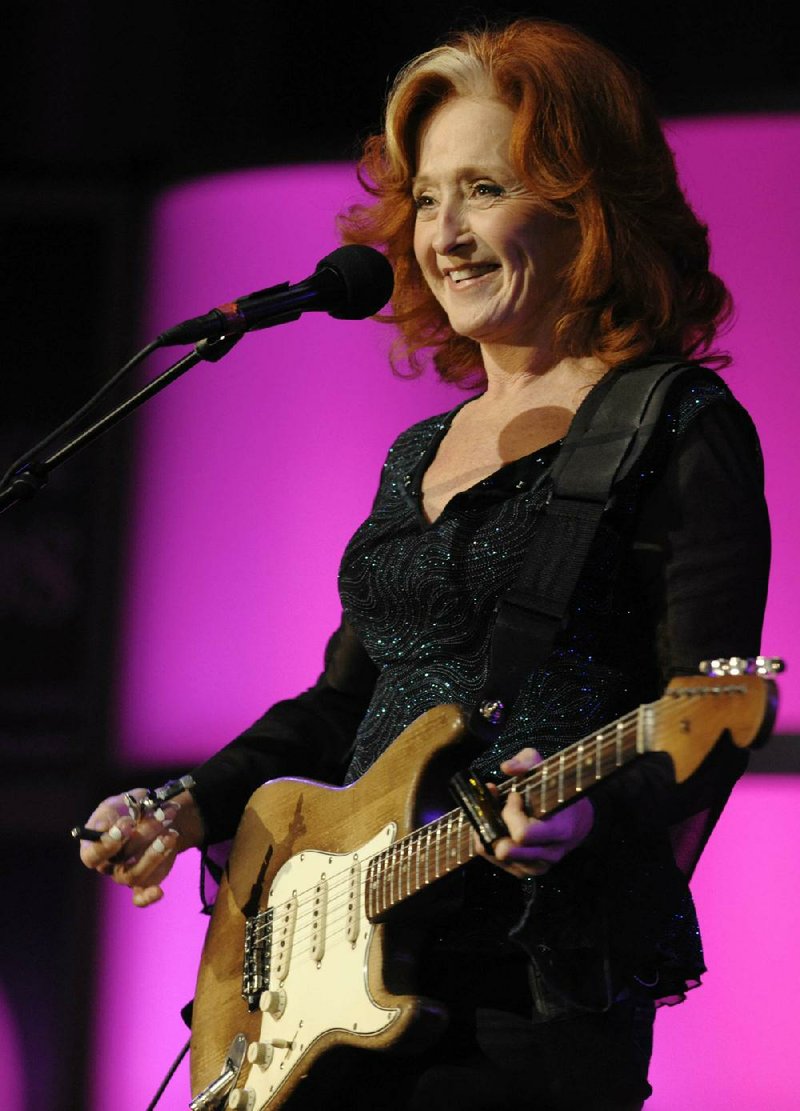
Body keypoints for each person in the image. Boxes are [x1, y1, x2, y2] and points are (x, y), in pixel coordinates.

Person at [79, 18, 770, 1110]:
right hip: (335, 983)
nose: (442, 232)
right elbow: (340, 703)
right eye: (428, 196)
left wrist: (585, 815)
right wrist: (188, 805)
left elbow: (706, 710)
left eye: (484, 188)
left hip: (525, 995)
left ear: (586, 206)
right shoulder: (421, 451)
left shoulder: (672, 424)